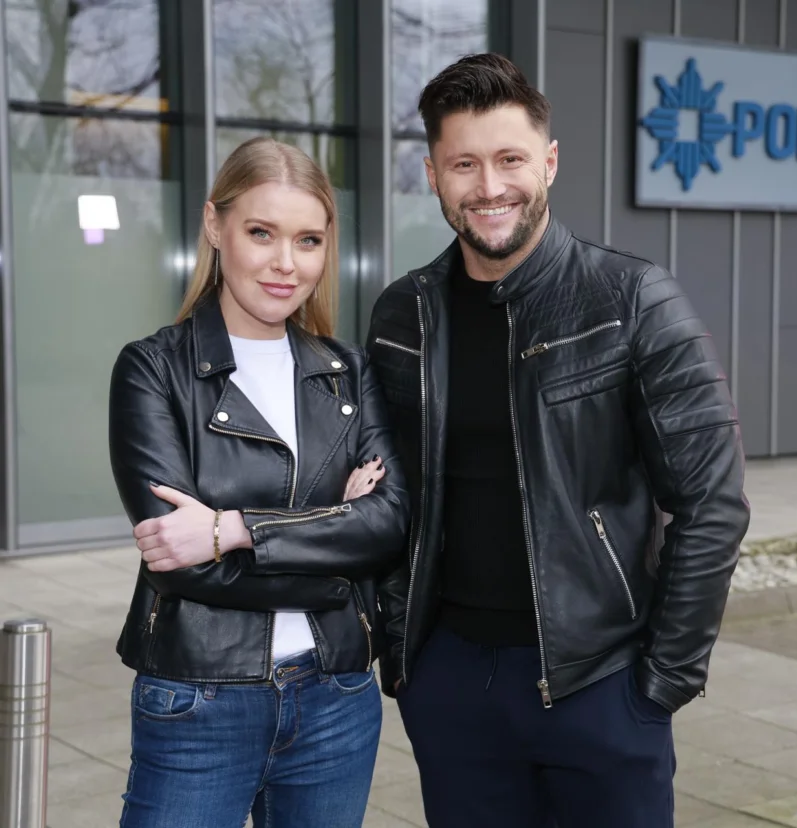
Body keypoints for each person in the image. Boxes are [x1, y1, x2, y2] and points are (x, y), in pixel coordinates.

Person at [366, 53, 750, 828]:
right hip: (452, 685)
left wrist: (661, 682)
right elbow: (390, 493)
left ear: (548, 162)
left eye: (510, 159)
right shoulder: (404, 315)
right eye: (464, 164)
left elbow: (712, 503)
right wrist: (406, 655)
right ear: (433, 175)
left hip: (601, 684)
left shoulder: (632, 298)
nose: (489, 186)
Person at [108, 136, 409, 828]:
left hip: (336, 699)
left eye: (308, 240)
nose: (286, 263)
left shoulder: (349, 373)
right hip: (199, 700)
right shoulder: (154, 370)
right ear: (215, 227)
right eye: (261, 233)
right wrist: (340, 558)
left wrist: (230, 528)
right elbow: (181, 562)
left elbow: (390, 523)